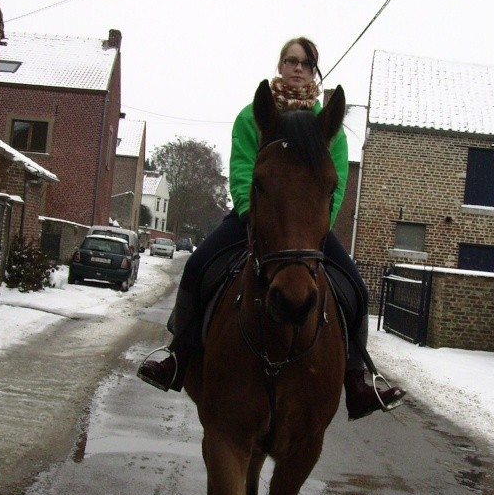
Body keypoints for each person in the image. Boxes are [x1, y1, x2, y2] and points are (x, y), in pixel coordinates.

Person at [137, 37, 405, 419]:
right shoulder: (253, 116)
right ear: (280, 66)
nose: (298, 68)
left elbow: (337, 183)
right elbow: (243, 169)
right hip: (256, 220)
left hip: (309, 231)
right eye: (291, 60)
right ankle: (177, 357)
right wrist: (251, 215)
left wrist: (318, 228)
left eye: (306, 63)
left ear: (314, 72)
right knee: (198, 267)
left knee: (356, 289)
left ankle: (357, 380)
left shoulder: (329, 127)